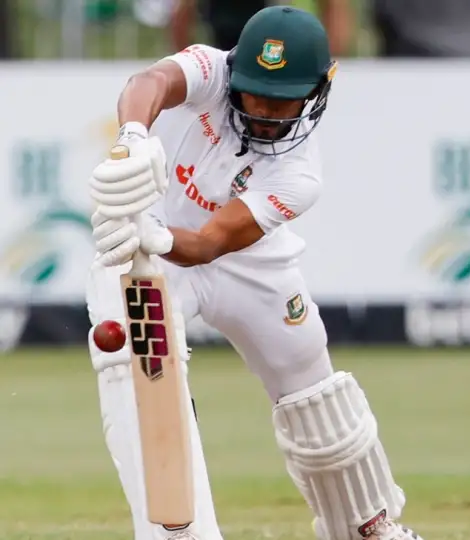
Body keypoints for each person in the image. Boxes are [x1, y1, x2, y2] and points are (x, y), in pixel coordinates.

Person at [85, 6, 421, 540]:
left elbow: (213, 242)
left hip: (242, 264)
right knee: (131, 356)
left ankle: (368, 526)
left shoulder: (300, 175)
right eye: (254, 93)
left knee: (313, 389)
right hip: (146, 247)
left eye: (282, 98)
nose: (263, 112)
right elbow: (148, 81)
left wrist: (163, 237)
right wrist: (131, 136)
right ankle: (179, 534)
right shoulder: (212, 70)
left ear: (316, 91)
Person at [169, 0, 354, 55]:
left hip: (288, 58)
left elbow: (335, 9)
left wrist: (327, 62)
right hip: (228, 59)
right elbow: (182, 16)